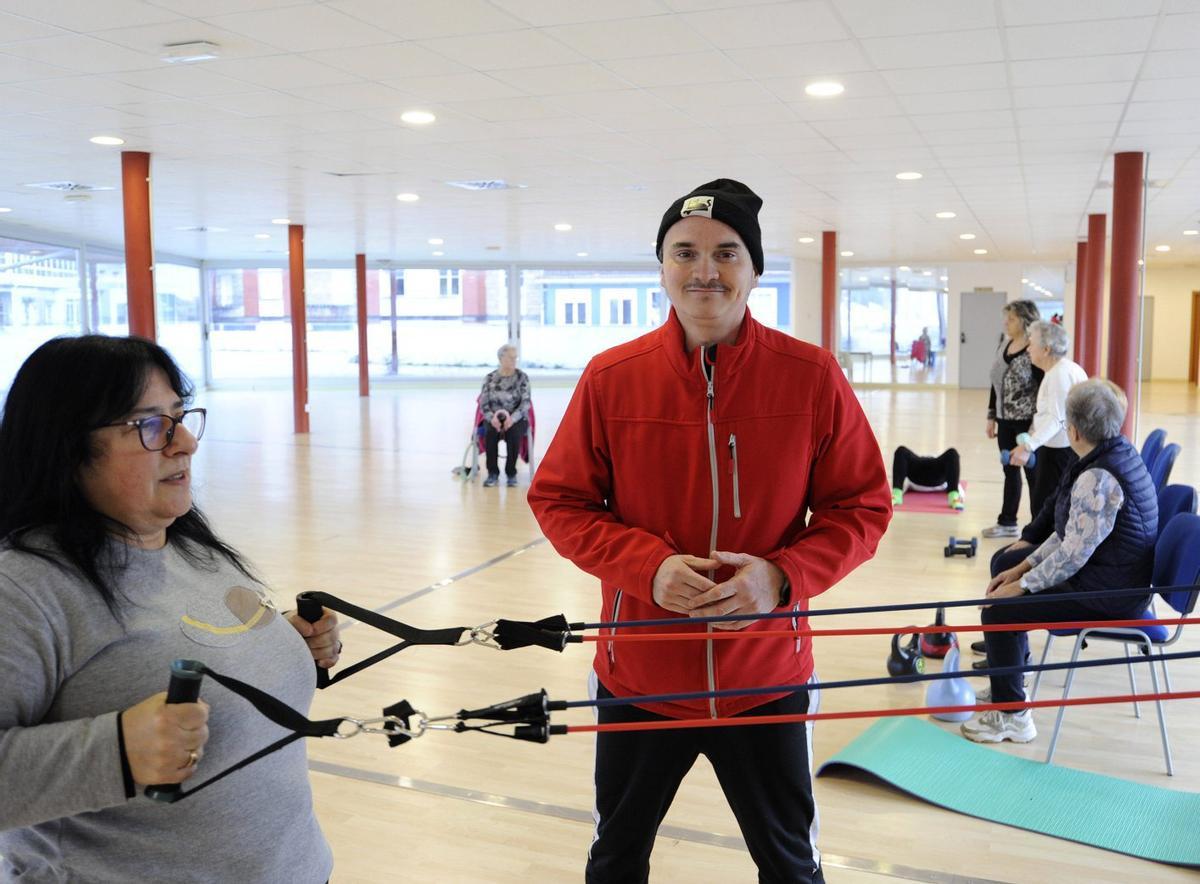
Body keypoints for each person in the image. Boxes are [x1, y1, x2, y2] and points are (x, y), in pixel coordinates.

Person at [527, 179, 891, 883]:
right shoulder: (611, 379)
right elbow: (560, 500)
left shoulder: (811, 377)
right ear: (662, 267)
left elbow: (864, 505)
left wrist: (782, 577)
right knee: (615, 859)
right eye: (685, 252)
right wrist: (646, 567)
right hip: (639, 678)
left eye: (726, 253)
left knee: (791, 865)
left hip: (766, 678)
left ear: (753, 269)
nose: (704, 271)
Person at [0, 336, 341, 882]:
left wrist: (278, 645)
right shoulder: (23, 588)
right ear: (65, 446)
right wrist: (111, 752)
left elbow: (170, 645)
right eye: (150, 425)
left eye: (180, 417)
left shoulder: (185, 542)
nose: (185, 442)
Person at [962, 379, 1157, 743]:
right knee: (1007, 563)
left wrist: (1021, 585)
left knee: (998, 611)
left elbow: (1073, 553)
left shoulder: (1099, 476)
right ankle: (1011, 681)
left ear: (1075, 429)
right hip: (1109, 577)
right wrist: (1021, 567)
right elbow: (1072, 531)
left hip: (1109, 594)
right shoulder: (1111, 452)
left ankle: (1012, 715)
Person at [1005, 320, 1087, 517]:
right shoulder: (1058, 371)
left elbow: (1056, 419)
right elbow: (1048, 414)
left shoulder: (1060, 374)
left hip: (1060, 452)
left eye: (1032, 344)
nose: (1028, 350)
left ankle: (1039, 545)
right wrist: (1031, 437)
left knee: (1045, 507)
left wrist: (1028, 446)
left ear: (1047, 349)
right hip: (1055, 449)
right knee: (1044, 504)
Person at [983, 299, 1044, 538]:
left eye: (1011, 319)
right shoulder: (1004, 344)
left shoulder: (1034, 349)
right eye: (1006, 318)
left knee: (1033, 475)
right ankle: (1007, 521)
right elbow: (995, 383)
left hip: (1026, 423)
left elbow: (1042, 389)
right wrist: (991, 416)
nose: (1005, 323)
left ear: (1025, 320)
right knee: (1009, 470)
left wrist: (1034, 428)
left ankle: (1038, 527)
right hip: (1004, 420)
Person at [479, 343, 531, 487]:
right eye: (510, 358)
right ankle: (493, 473)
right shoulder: (490, 378)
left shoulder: (522, 377)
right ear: (501, 358)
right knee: (490, 432)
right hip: (494, 417)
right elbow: (483, 404)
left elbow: (526, 403)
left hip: (516, 418)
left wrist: (512, 418)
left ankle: (511, 473)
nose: (514, 361)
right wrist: (492, 418)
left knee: (514, 433)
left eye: (515, 358)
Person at [891, 446, 963, 510]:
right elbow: (955, 481)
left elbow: (902, 479)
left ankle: (896, 495)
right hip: (920, 473)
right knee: (952, 453)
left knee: (901, 451)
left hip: (925, 475)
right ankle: (954, 498)